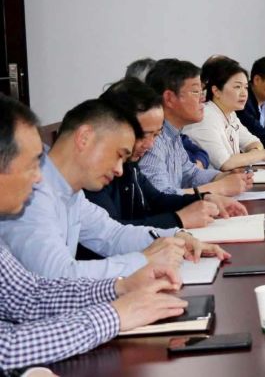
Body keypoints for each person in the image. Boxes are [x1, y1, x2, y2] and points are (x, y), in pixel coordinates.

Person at [0, 95, 190, 371]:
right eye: (31, 165)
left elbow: (27, 295)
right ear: (85, 138)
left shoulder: (68, 193)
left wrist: (120, 287)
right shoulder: (35, 200)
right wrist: (114, 315)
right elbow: (5, 349)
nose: (39, 177)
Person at [0, 98, 231, 279]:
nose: (120, 170)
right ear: (84, 138)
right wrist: (145, 260)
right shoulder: (31, 193)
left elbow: (111, 234)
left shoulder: (70, 191)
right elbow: (58, 276)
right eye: (119, 155)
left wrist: (175, 238)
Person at [87, 77, 247, 230]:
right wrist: (180, 219)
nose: (150, 145)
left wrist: (203, 198)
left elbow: (157, 199)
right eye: (144, 135)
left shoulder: (130, 164)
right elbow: (113, 234)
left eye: (156, 135)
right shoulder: (94, 173)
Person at [140, 58, 253, 196]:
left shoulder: (173, 134)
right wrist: (220, 187)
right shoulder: (153, 140)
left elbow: (191, 174)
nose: (203, 98)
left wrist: (223, 176)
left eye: (202, 91)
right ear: (169, 98)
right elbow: (161, 196)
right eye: (195, 92)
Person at [184, 57, 265, 170]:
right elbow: (225, 163)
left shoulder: (230, 114)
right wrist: (262, 154)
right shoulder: (205, 116)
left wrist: (252, 154)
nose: (244, 93)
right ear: (216, 91)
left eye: (246, 87)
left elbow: (255, 143)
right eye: (237, 87)